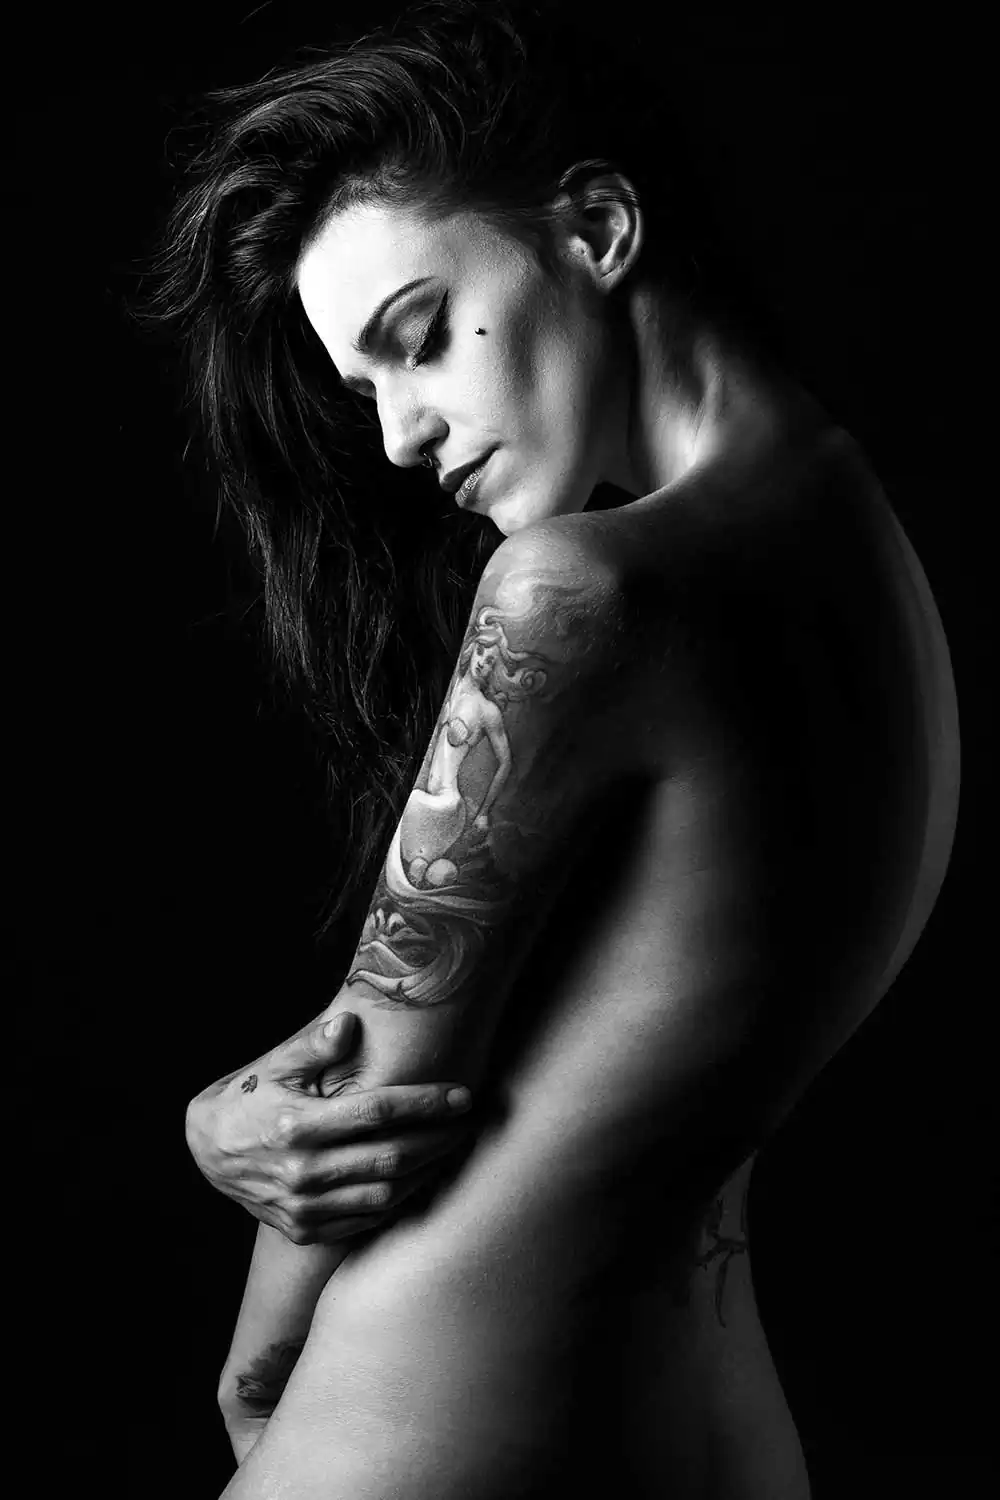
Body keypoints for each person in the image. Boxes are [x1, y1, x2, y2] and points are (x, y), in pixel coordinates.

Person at [138, 3, 960, 1496]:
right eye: (366, 392)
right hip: (710, 1418)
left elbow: (367, 1084)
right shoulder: (858, 547)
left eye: (415, 340)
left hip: (439, 1418)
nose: (399, 436)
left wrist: (255, 1353)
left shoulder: (578, 591)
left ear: (596, 228)